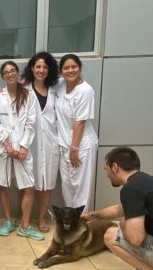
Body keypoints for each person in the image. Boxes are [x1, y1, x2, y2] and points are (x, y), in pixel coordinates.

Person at [0, 61, 41, 240]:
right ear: (2, 76)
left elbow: (31, 123)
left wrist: (24, 146)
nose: (10, 74)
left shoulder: (28, 95)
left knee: (29, 186)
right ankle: (8, 221)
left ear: (17, 73)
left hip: (22, 148)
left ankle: (25, 225)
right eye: (6, 72)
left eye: (12, 71)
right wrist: (7, 144)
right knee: (4, 185)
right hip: (3, 148)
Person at [22, 52, 60, 233]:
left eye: (45, 67)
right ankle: (25, 218)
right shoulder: (24, 89)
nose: (41, 70)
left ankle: (42, 217)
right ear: (32, 68)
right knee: (29, 182)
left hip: (51, 142)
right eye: (38, 66)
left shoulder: (55, 90)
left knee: (47, 182)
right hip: (31, 142)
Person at [55, 54, 98, 211]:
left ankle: (81, 222)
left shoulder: (85, 91)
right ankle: (70, 221)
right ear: (61, 71)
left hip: (81, 145)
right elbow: (37, 82)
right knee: (67, 186)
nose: (70, 70)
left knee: (81, 187)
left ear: (79, 68)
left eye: (74, 67)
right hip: (64, 144)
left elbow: (80, 122)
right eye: (66, 67)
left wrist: (74, 149)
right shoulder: (60, 84)